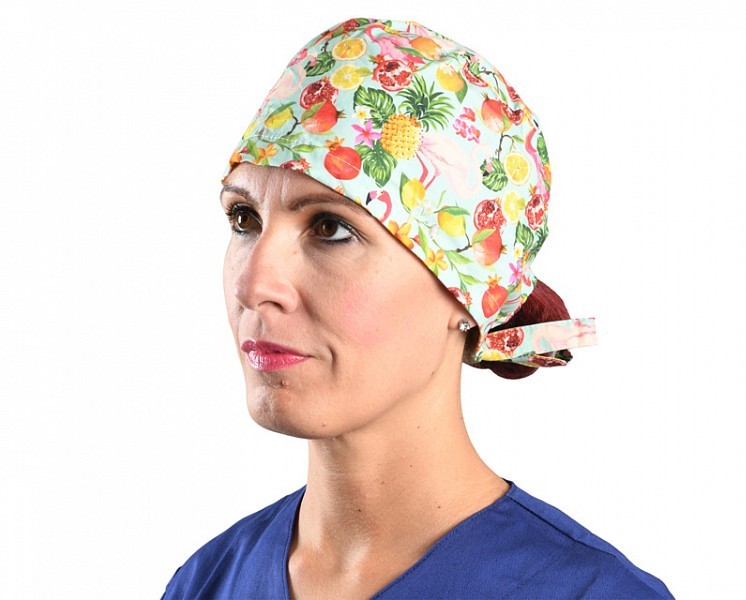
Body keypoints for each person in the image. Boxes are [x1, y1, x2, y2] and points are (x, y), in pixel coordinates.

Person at [162, 17, 673, 599]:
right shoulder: (206, 582)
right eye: (244, 219)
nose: (253, 285)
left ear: (469, 288)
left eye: (330, 228)